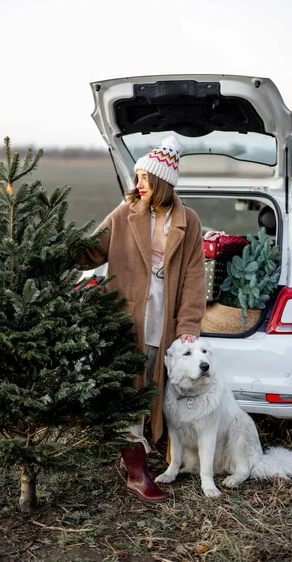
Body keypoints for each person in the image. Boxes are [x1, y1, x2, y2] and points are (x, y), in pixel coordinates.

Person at [77, 136, 206, 502]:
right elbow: (91, 250)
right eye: (138, 176)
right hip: (125, 319)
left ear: (163, 182)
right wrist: (57, 247)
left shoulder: (188, 222)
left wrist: (188, 329)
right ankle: (136, 472)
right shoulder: (124, 213)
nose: (139, 183)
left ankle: (138, 454)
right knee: (129, 390)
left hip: (162, 323)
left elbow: (195, 279)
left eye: (146, 177)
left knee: (153, 388)